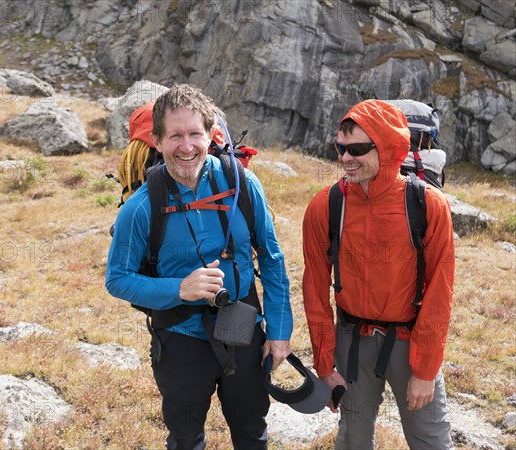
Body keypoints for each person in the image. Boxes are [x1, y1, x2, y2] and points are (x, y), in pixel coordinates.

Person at [106, 83, 293, 449]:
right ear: (157, 141)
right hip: (179, 335)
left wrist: (280, 330)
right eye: (175, 136)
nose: (187, 147)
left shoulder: (242, 184)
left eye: (195, 134)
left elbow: (272, 258)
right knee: (186, 437)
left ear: (211, 135)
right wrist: (179, 288)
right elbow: (117, 279)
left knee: (252, 430)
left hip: (242, 325)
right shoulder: (141, 207)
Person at [302, 99, 455, 449]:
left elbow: (440, 291)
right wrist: (325, 366)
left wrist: (426, 370)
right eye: (340, 148)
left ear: (387, 147)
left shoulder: (428, 205)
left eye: (356, 149)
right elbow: (314, 290)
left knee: (431, 441)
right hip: (352, 343)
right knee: (353, 441)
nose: (345, 158)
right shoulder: (325, 206)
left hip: (410, 343)